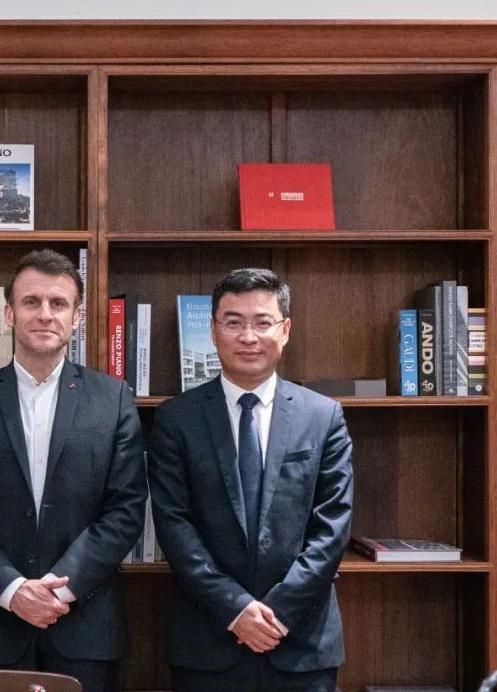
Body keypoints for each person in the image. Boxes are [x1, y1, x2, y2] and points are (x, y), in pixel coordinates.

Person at [0, 249, 147, 692]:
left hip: (85, 628)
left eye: (58, 303)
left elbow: (126, 510)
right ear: (9, 313)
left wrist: (59, 590)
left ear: (76, 317)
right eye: (31, 302)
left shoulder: (113, 399)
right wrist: (12, 590)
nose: (45, 314)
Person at [147, 268, 354, 692]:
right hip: (208, 639)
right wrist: (236, 609)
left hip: (301, 642)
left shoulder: (323, 416)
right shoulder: (176, 419)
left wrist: (279, 612)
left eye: (263, 322)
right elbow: (174, 526)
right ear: (213, 330)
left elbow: (331, 528)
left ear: (285, 330)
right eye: (234, 322)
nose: (248, 337)